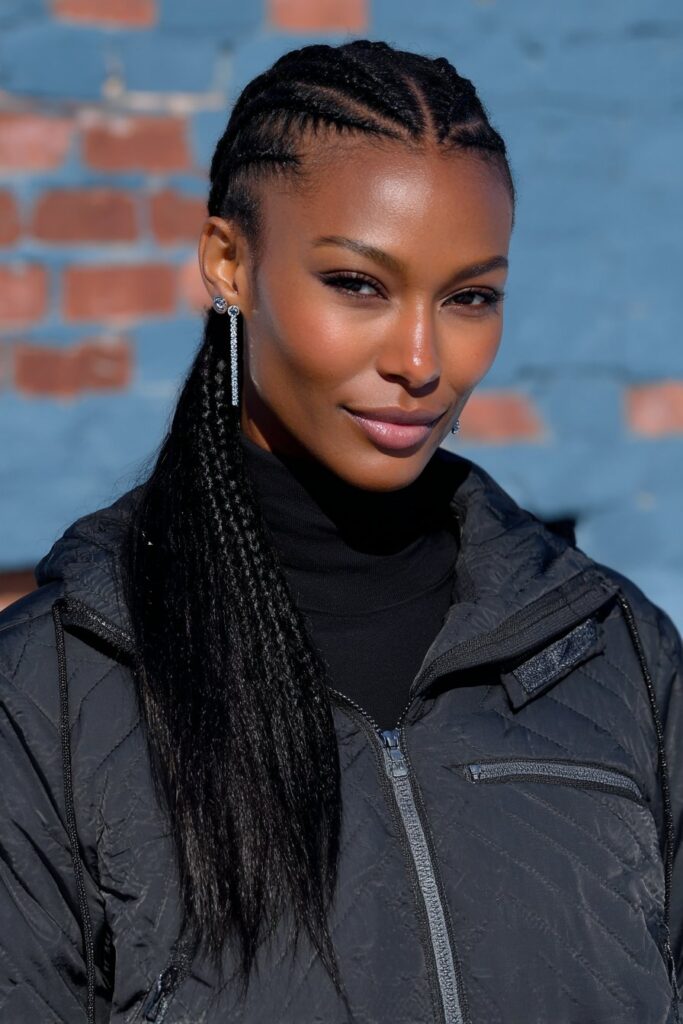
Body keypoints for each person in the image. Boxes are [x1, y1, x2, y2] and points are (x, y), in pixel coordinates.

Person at [0, 39, 681, 1024]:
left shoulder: (611, 656)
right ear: (228, 263)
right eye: (358, 285)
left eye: (468, 297)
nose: (420, 358)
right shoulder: (56, 695)